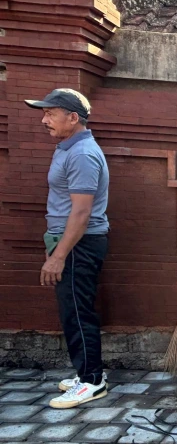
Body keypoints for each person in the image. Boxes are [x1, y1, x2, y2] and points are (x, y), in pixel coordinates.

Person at [25, 89, 110, 409]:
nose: (44, 120)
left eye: (51, 113)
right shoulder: (69, 148)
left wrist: (59, 255)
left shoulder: (82, 154)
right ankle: (88, 372)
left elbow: (81, 212)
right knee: (72, 309)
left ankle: (92, 381)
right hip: (70, 241)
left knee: (77, 312)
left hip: (79, 244)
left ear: (73, 118)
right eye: (44, 113)